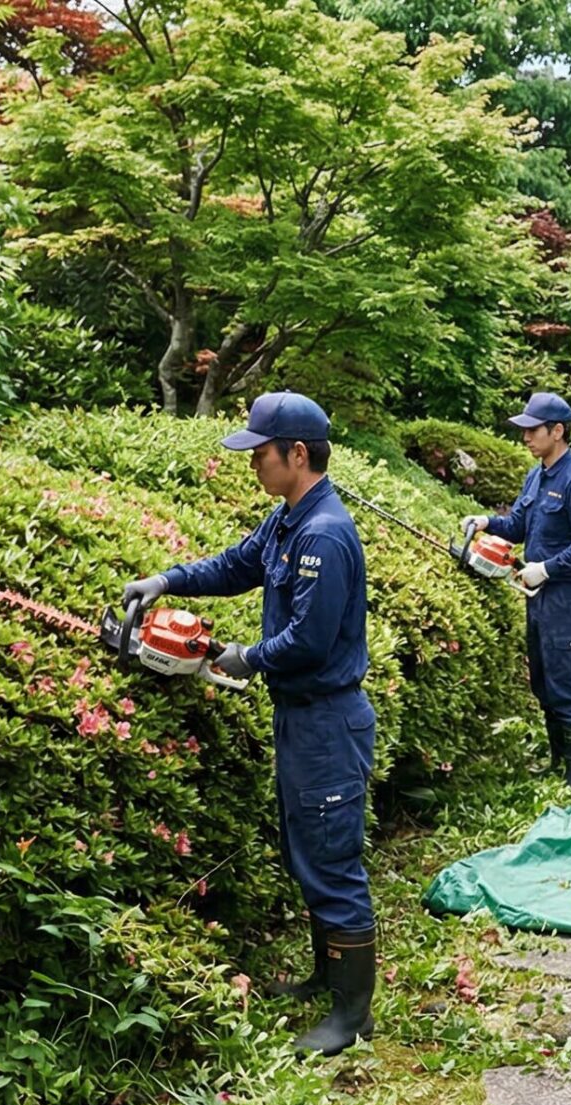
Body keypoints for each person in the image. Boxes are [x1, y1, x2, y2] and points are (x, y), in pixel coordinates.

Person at [119, 392, 377, 1056]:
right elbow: (238, 566)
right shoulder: (288, 520)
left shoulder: (323, 533)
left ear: (298, 453)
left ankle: (351, 1015)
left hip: (327, 718)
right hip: (301, 718)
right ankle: (327, 975)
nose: (253, 463)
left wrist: (245, 657)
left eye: (260, 453)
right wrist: (167, 581)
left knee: (332, 857)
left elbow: (310, 640)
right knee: (307, 847)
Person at [461, 393, 571, 785]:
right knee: (543, 681)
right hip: (537, 597)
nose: (525, 437)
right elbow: (519, 525)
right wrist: (487, 522)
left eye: (532, 430)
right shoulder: (537, 474)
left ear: (557, 431)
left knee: (566, 684)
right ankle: (558, 762)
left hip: (566, 599)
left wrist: (547, 569)